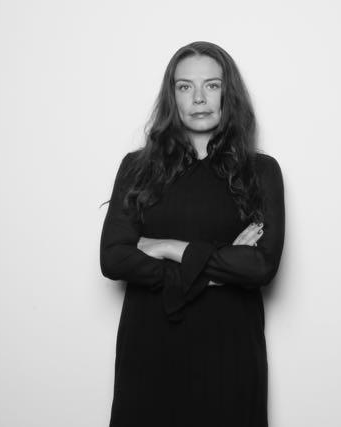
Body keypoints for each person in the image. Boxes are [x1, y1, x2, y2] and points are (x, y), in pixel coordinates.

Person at [99, 41, 285, 427]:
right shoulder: (137, 168)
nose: (199, 98)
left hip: (229, 355)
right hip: (149, 353)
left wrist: (166, 246)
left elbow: (260, 266)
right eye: (185, 86)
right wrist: (217, 268)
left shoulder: (260, 172)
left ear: (228, 93)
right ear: (172, 96)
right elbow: (114, 258)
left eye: (211, 85)